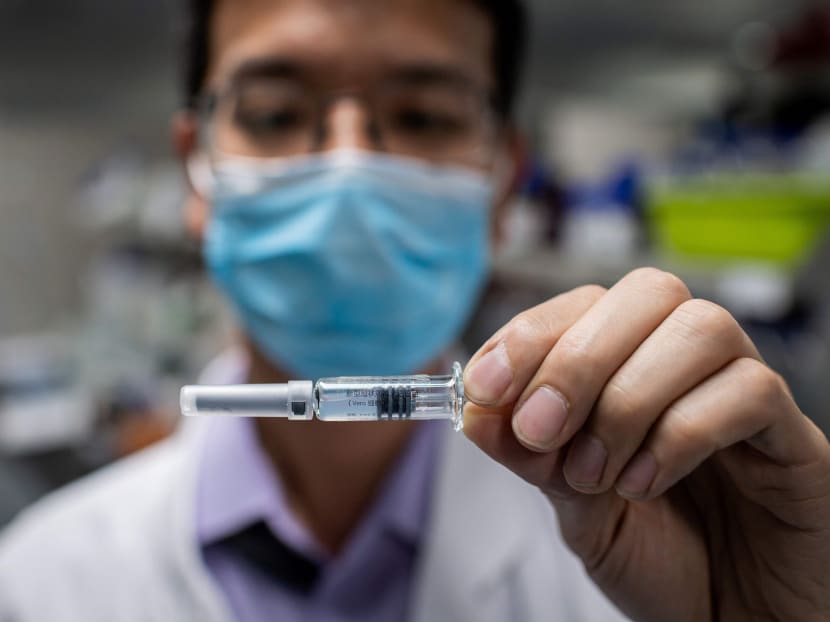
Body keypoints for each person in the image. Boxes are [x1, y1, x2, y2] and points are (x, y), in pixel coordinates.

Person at [1, 0, 829, 620]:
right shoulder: (40, 582)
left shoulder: (653, 560)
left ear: (504, 178)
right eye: (278, 114)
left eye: (423, 117)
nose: (351, 168)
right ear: (197, 169)